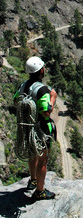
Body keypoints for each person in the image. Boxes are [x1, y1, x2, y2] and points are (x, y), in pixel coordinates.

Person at [14, 56, 57, 200]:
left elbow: (16, 101)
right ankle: (40, 190)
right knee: (42, 159)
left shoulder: (23, 85)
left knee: (32, 153)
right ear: (41, 71)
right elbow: (46, 110)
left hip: (27, 127)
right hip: (41, 128)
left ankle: (32, 180)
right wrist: (53, 98)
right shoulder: (42, 90)